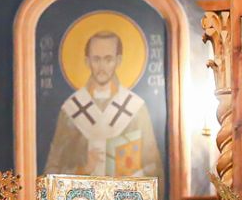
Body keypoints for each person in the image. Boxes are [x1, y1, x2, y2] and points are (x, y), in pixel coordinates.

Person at [45, 30, 161, 179]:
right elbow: (52, 170)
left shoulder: (136, 108)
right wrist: (83, 169)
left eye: (108, 59)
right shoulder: (71, 109)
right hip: (82, 193)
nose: (102, 67)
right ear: (87, 61)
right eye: (96, 59)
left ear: (118, 61)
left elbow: (153, 167)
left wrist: (130, 177)